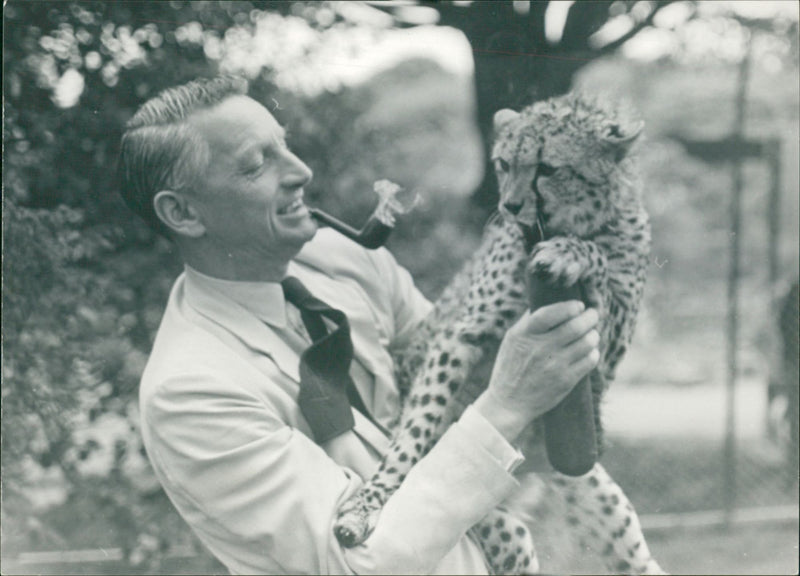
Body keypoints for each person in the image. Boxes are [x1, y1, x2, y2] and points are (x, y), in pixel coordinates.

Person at [118, 76, 600, 575]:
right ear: (182, 212)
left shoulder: (343, 260)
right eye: (256, 164)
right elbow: (360, 565)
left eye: (283, 145)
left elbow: (455, 382)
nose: (300, 171)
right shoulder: (189, 392)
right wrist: (508, 402)